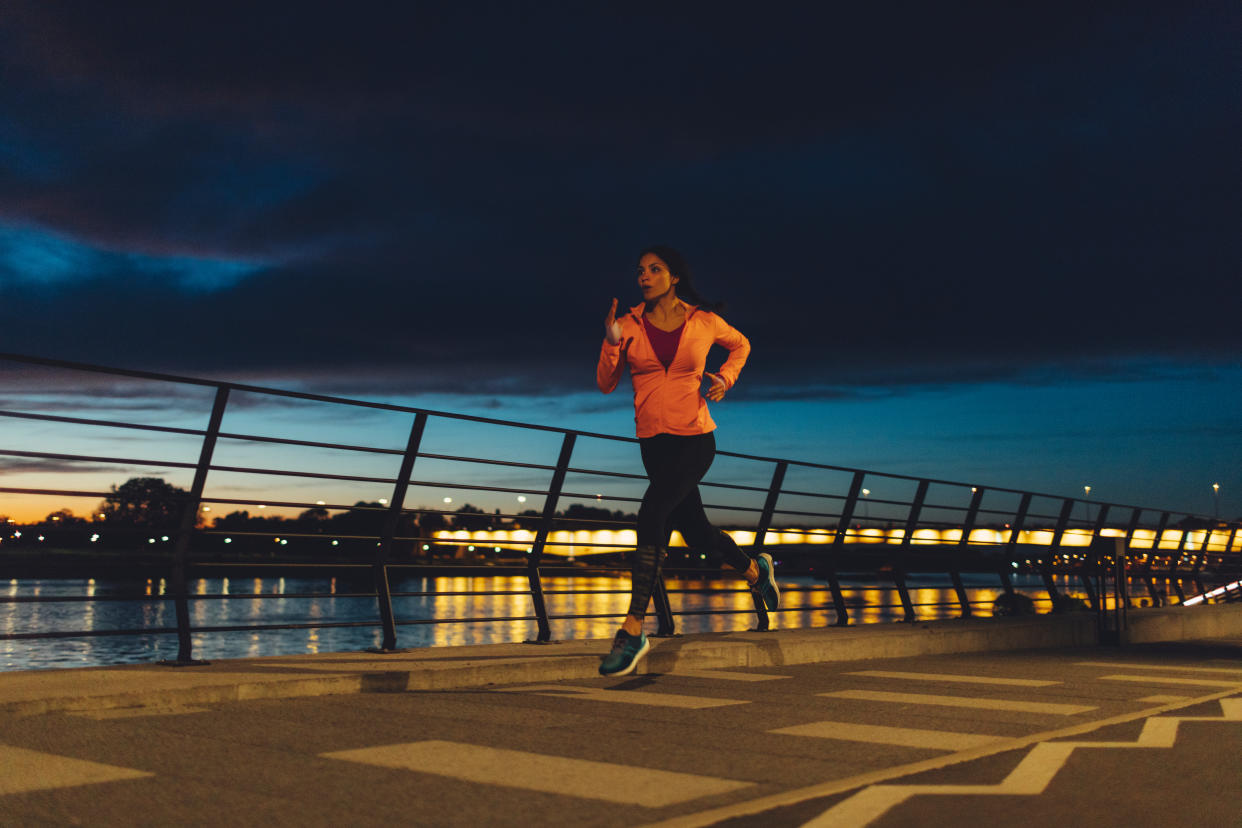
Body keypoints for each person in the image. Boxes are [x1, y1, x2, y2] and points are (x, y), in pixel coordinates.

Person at [595, 245, 778, 677]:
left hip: (695, 439)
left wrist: (725, 381)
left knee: (653, 512)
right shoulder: (627, 324)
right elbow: (606, 383)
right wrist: (610, 342)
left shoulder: (704, 320)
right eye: (640, 270)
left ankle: (633, 628)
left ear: (674, 277)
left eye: (655, 269)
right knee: (695, 534)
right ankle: (755, 569)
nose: (645, 276)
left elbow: (742, 345)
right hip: (652, 443)